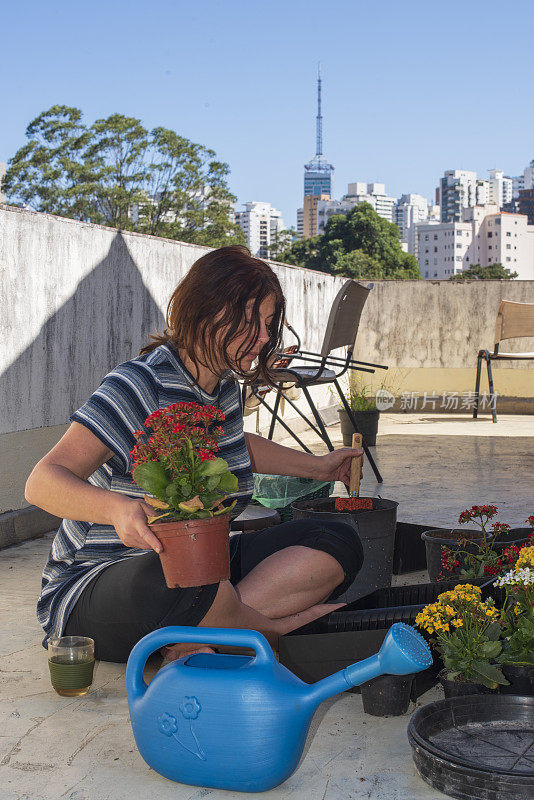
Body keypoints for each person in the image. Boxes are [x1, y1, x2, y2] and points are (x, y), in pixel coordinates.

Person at [27, 245, 364, 663]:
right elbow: (42, 481)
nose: (263, 338)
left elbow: (237, 449)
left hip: (199, 570)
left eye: (268, 322)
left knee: (335, 539)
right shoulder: (139, 383)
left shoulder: (221, 387)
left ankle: (203, 634)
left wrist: (318, 467)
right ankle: (263, 630)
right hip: (99, 584)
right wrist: (117, 510)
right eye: (249, 322)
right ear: (205, 311)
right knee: (186, 576)